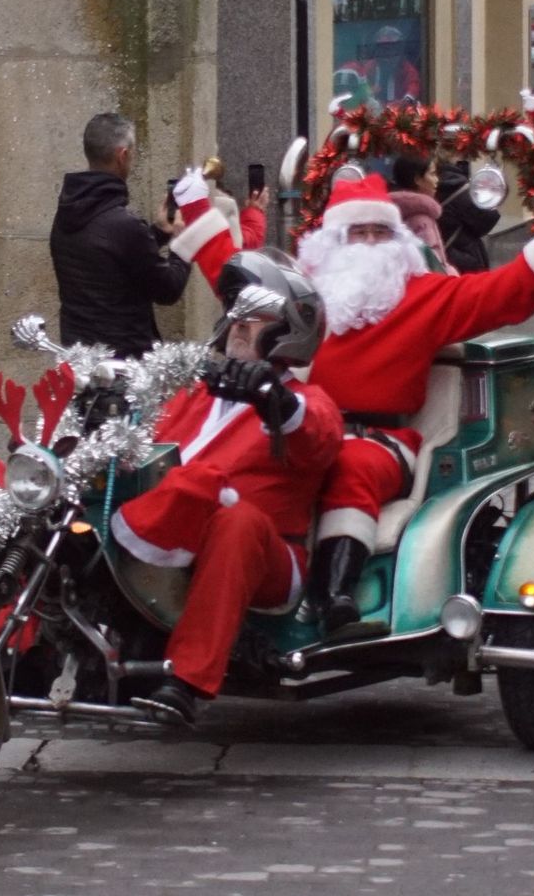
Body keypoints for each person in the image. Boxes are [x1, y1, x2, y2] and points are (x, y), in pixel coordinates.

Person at [169, 169, 534, 632]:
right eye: (356, 232)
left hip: (378, 436)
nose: (368, 244)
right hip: (296, 424)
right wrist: (195, 207)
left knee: (350, 465)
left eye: (380, 232)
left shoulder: (424, 295)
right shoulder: (305, 293)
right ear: (332, 240)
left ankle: (333, 590)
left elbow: (498, 292)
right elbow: (235, 282)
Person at [123, 250, 340, 725]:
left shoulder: (308, 400)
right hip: (178, 528)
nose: (240, 325)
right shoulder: (194, 394)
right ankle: (25, 650)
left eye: (257, 316)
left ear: (289, 331)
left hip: (268, 558)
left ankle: (187, 681)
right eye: (236, 312)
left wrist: (272, 397)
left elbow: (316, 436)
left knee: (237, 521)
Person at [49, 113, 192, 358]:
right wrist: (184, 242)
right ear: (122, 156)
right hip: (123, 367)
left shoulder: (65, 215)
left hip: (80, 360)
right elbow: (168, 290)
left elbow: (113, 261)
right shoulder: (125, 226)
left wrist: (158, 233)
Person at [389, 153, 455, 274]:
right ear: (418, 180)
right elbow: (433, 265)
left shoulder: (392, 213)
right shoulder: (421, 220)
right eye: (433, 174)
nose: (437, 180)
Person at [435, 160, 499, 274]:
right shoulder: (458, 188)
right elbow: (486, 221)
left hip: (443, 256)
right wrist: (491, 201)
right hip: (464, 258)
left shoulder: (426, 190)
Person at [340, 26, 422, 108]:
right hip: (373, 113)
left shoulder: (406, 68)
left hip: (398, 115)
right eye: (382, 48)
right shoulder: (371, 65)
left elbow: (413, 86)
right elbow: (361, 84)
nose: (386, 53)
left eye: (390, 48)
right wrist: (369, 91)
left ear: (399, 49)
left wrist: (405, 101)